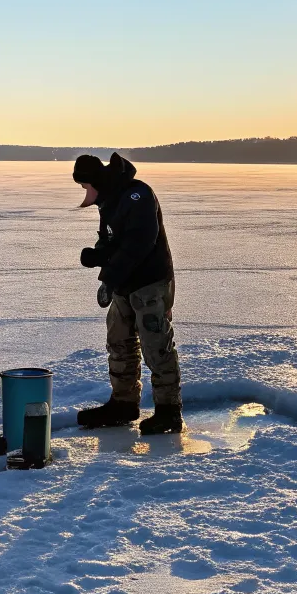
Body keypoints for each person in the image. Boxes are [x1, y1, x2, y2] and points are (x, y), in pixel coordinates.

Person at [73, 152, 182, 435]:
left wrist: (109, 276)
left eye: (85, 187)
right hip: (125, 282)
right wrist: (97, 256)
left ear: (97, 181)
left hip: (150, 282)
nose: (85, 193)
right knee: (119, 341)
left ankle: (169, 412)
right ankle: (123, 404)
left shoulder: (138, 195)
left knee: (156, 346)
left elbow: (139, 242)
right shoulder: (109, 199)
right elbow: (112, 240)